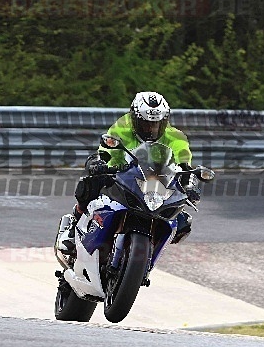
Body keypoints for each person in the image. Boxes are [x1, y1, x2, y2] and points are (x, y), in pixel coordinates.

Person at [57, 91, 198, 255]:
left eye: (157, 124)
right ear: (134, 118)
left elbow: (185, 165)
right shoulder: (122, 127)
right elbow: (105, 152)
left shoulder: (176, 137)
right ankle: (74, 225)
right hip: (122, 175)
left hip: (157, 184)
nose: (151, 128)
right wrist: (99, 163)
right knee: (90, 182)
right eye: (145, 123)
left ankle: (149, 254)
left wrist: (190, 183)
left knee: (182, 222)